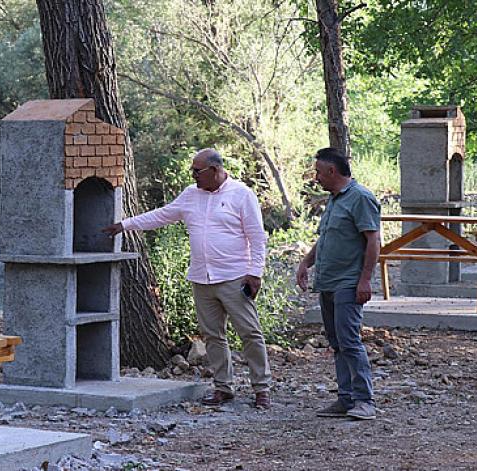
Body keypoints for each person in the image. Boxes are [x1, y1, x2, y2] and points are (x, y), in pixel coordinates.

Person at [102, 148, 273, 408]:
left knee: (249, 333)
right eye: (192, 170)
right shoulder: (191, 195)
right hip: (202, 279)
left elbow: (257, 236)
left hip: (234, 277)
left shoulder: (241, 194)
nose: (193, 176)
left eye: (197, 171)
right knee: (213, 336)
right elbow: (162, 215)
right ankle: (223, 387)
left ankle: (261, 389)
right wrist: (125, 225)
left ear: (215, 170)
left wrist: (255, 273)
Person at [296, 147, 381, 420]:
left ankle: (364, 400)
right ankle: (345, 398)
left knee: (350, 342)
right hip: (328, 283)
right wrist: (305, 263)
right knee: (337, 343)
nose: (316, 178)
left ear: (332, 171)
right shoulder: (334, 200)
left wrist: (365, 280)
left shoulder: (361, 198)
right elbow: (325, 238)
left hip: (348, 282)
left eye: (318, 172)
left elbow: (373, 240)